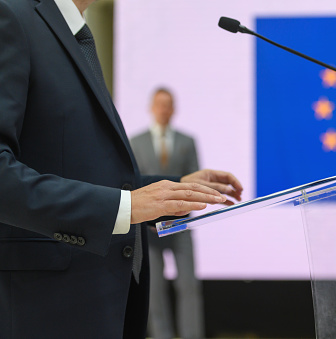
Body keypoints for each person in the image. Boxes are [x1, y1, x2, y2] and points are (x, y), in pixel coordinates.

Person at [0, 1, 243, 338]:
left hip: (100, 305)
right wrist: (124, 207)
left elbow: (83, 173)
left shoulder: (75, 35)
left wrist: (175, 186)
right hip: (46, 307)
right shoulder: (12, 17)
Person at [130, 88, 204, 339]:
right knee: (155, 288)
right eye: (159, 104)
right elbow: (134, 182)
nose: (164, 109)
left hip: (181, 225)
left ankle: (192, 334)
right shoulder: (136, 142)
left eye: (168, 105)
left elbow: (196, 183)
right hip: (149, 229)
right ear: (152, 107)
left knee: (188, 285)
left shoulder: (187, 141)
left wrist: (179, 213)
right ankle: (161, 335)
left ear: (174, 108)